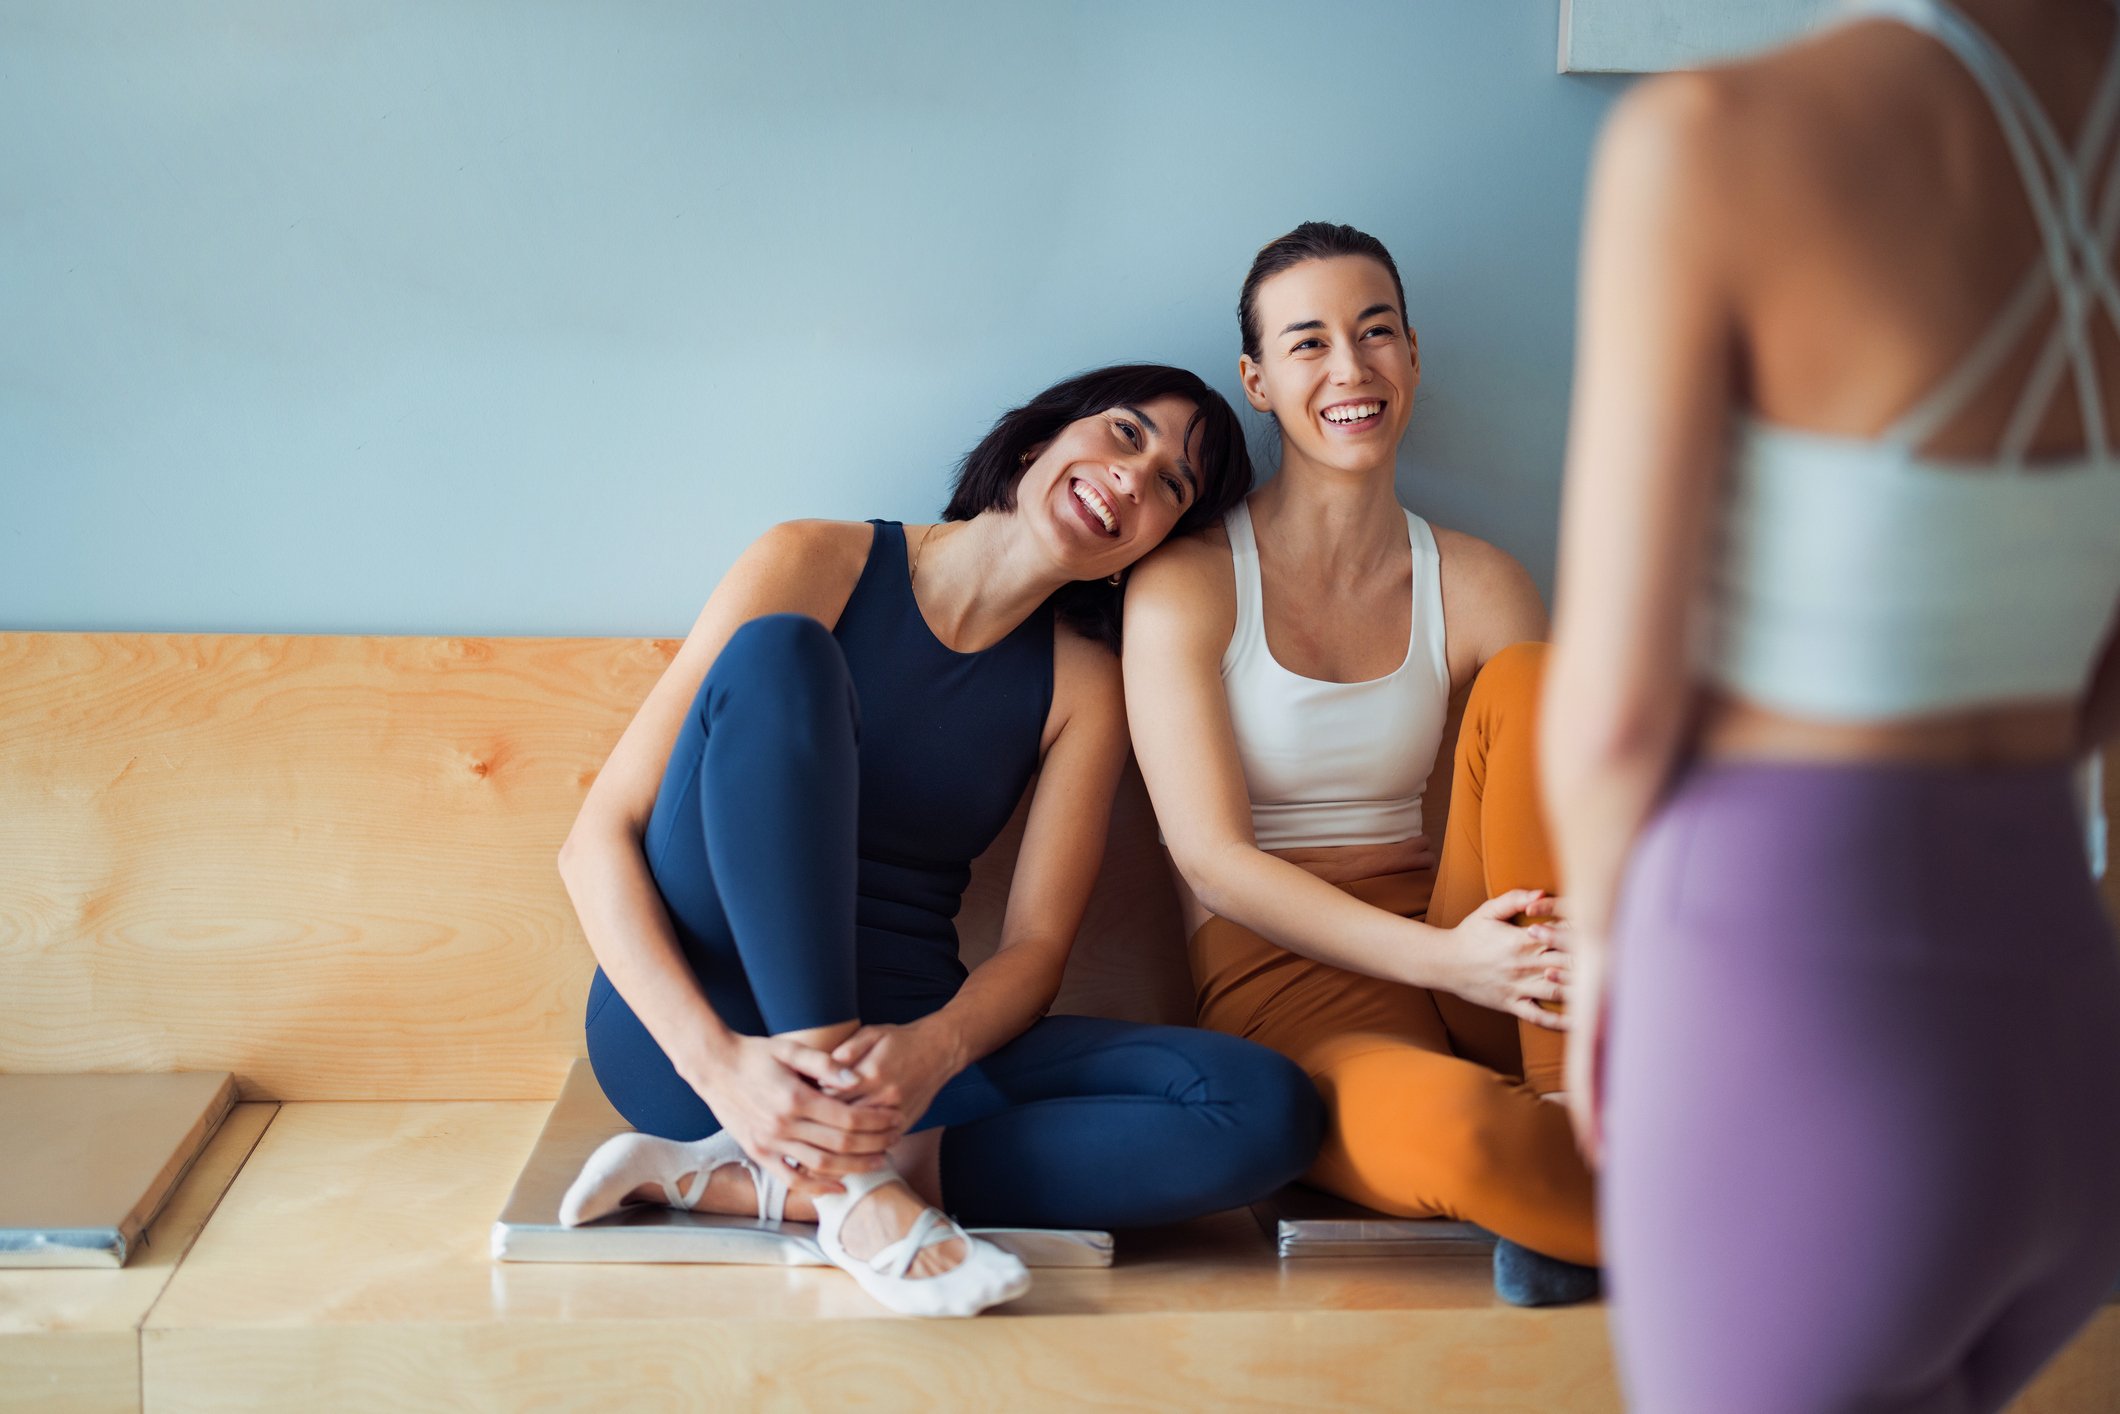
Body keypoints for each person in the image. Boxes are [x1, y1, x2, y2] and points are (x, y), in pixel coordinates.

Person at [1542, 0, 2120, 1406]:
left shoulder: (1712, 137)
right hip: (2063, 1016)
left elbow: (1615, 708)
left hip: (1793, 995)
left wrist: (1611, 951)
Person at [554, 364, 1325, 1318]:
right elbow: (595, 842)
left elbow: (1038, 948)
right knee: (782, 657)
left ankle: (769, 1181)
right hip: (700, 1030)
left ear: (1154, 542)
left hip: (903, 1044)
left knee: (1262, 1105)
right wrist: (717, 1063)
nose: (1136, 477)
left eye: (1173, 485)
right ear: (1039, 439)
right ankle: (855, 1192)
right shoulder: (815, 560)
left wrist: (928, 1051)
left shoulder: (1086, 685)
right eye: (1126, 435)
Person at [1123, 223, 1598, 1307]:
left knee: (1534, 678)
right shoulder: (1188, 583)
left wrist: (1483, 966)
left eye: (1374, 330)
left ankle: (1573, 1117)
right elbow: (1209, 860)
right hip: (1289, 985)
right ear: (1256, 381)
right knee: (1470, 1139)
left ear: (1412, 356)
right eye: (1307, 343)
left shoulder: (1478, 582)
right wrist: (1442, 965)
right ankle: (1613, 1193)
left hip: (1487, 951)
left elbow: (1549, 798)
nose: (1350, 367)